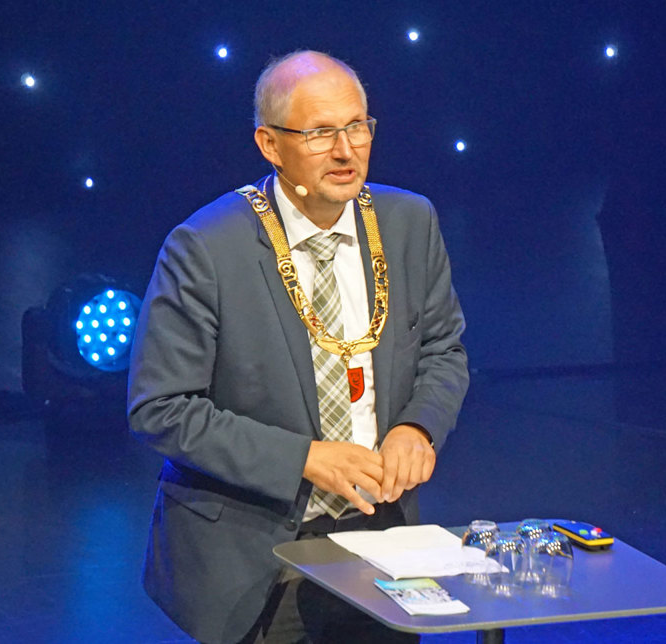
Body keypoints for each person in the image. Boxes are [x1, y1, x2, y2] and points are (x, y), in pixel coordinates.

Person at [127, 50, 468, 643]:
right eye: (319, 133)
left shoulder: (410, 221)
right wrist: (304, 458)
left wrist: (418, 426)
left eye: (358, 126)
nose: (346, 150)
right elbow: (160, 409)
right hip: (259, 553)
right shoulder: (207, 247)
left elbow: (443, 348)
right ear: (269, 143)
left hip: (381, 539)